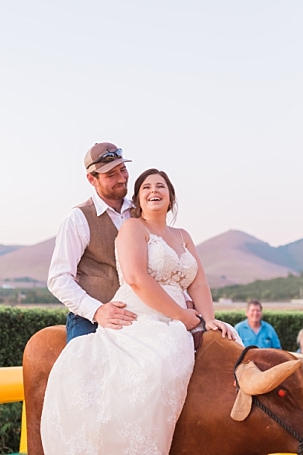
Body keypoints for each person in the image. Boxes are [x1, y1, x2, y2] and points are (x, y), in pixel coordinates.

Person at [41, 168, 237, 454]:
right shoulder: (121, 226)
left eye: (160, 186)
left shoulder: (182, 235)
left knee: (228, 347)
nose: (152, 191)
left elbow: (199, 281)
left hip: (178, 310)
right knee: (148, 367)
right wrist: (181, 317)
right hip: (131, 309)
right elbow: (134, 279)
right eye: (146, 187)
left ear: (171, 198)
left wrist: (208, 320)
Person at [47, 142, 138, 343]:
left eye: (123, 170)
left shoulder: (140, 213)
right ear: (91, 179)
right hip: (90, 321)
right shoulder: (78, 219)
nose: (122, 178)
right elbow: (58, 278)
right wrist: (97, 310)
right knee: (86, 369)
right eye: (111, 175)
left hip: (141, 315)